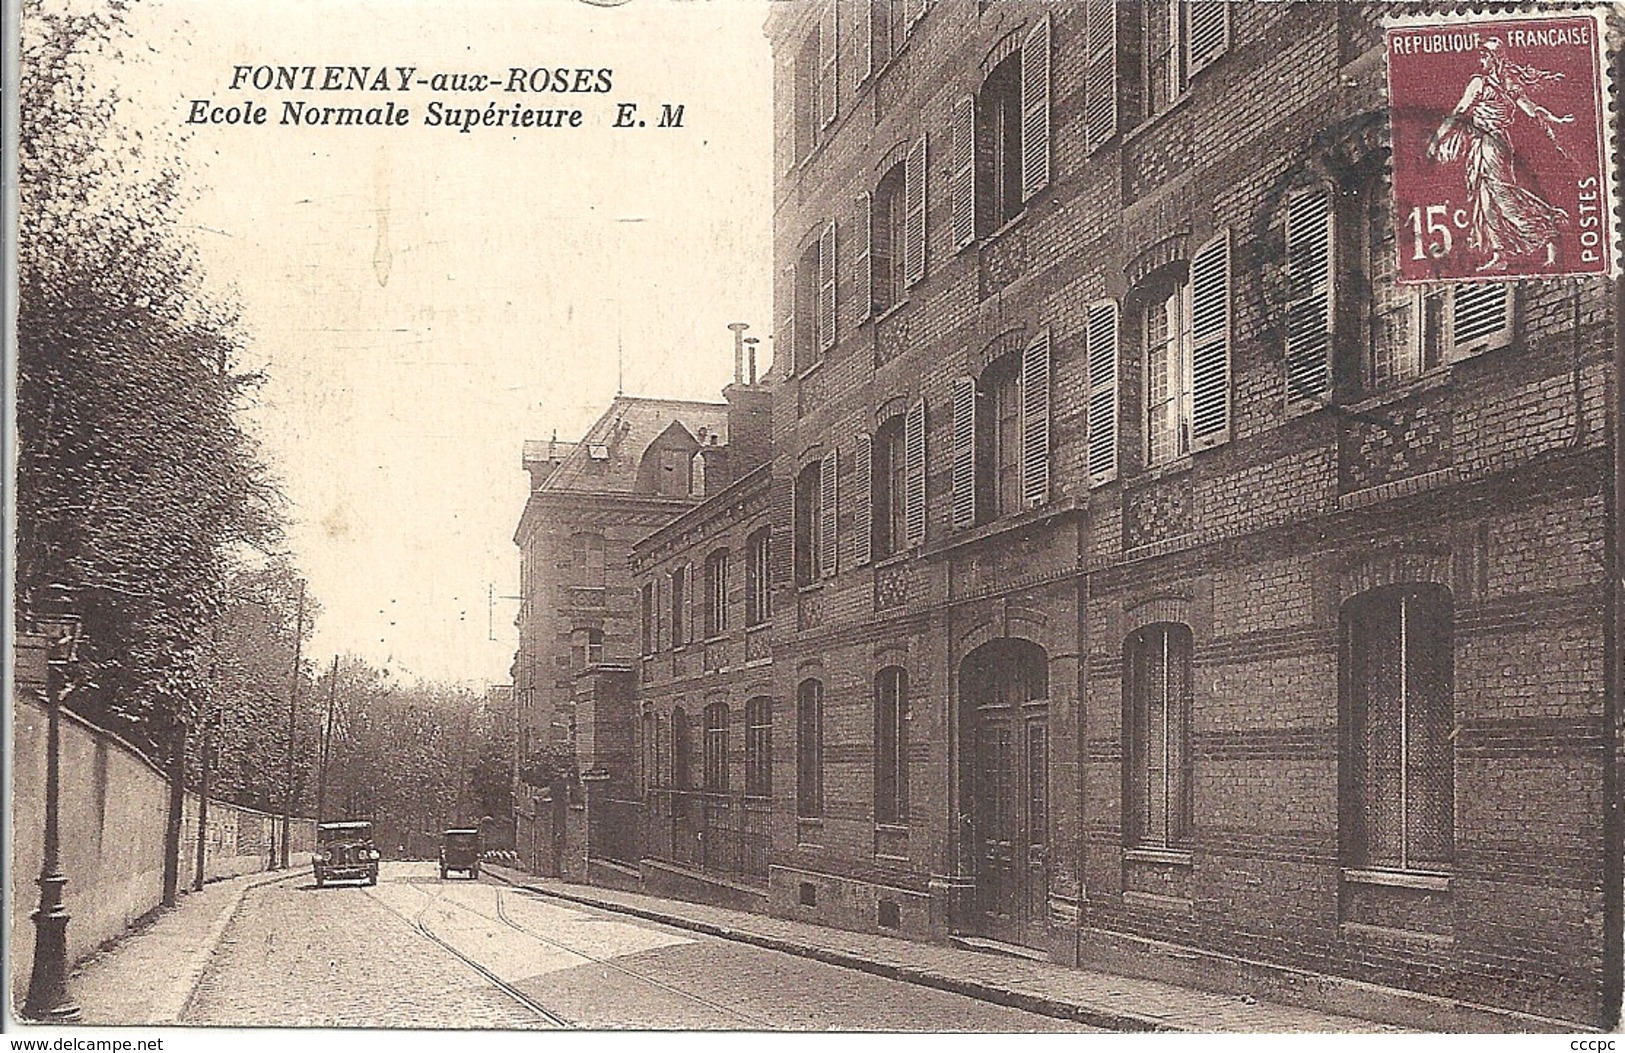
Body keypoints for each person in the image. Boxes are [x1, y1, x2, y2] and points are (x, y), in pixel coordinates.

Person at [1427, 38, 1574, 270]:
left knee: (1503, 197)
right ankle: (1500, 253)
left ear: (1495, 58)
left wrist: (1437, 139)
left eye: (1485, 56)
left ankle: (1548, 232)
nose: (1481, 60)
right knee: (1486, 200)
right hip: (1484, 143)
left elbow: (1461, 110)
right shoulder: (1502, 84)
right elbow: (1531, 109)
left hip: (1492, 144)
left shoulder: (1486, 84)